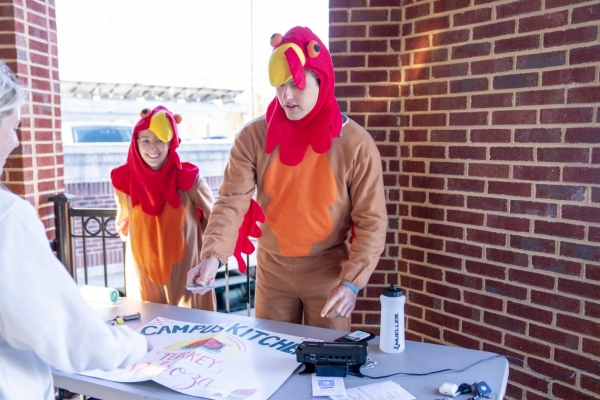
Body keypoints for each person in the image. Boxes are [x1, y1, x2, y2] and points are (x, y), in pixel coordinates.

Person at [188, 26, 387, 331]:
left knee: (327, 364)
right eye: (280, 85)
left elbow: (372, 220)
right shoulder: (252, 136)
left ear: (322, 80)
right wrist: (213, 257)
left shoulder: (356, 144)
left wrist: (352, 282)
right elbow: (231, 201)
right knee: (270, 362)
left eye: (295, 83)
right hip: (271, 271)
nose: (286, 95)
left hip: (329, 272)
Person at [0, 61, 150, 400]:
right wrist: (139, 346)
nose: (15, 143)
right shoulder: (8, 218)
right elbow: (71, 337)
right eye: (13, 127)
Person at [111, 105, 217, 311]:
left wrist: (212, 257)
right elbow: (123, 224)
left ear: (171, 143)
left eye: (160, 140)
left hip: (186, 273)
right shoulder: (123, 180)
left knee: (191, 333)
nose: (153, 148)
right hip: (143, 274)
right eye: (146, 141)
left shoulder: (189, 179)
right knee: (147, 328)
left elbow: (215, 218)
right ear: (135, 144)